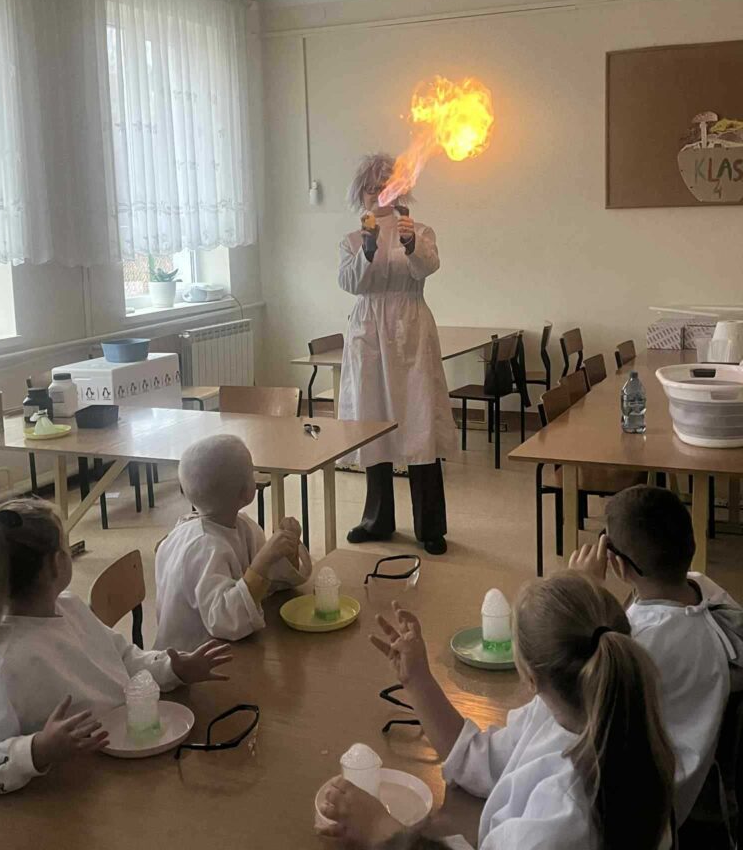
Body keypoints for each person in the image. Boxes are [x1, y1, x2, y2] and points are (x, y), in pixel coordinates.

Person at [320, 573, 674, 850]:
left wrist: (383, 830)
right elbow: (481, 761)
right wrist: (417, 680)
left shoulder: (564, 810)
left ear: (530, 679)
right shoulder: (583, 716)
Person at [0, 499, 233, 798]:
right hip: (82, 793)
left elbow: (123, 658)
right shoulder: (0, 663)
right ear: (57, 563)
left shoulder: (70, 607)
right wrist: (37, 750)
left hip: (135, 764)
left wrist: (172, 668)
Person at [570, 484, 739, 828]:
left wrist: (582, 594)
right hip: (697, 777)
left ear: (616, 563)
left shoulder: (634, 644)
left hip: (649, 804)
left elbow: (569, 698)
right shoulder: (704, 587)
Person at [338, 153, 456, 556]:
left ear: (399, 189)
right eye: (369, 189)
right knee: (372, 423)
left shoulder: (419, 230)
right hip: (368, 333)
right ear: (361, 194)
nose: (377, 195)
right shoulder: (352, 240)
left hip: (410, 330)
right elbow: (350, 283)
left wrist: (410, 245)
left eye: (383, 187)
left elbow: (427, 267)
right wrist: (368, 249)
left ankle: (430, 526)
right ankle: (378, 519)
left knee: (420, 422)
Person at [155, 434, 312, 651]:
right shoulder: (204, 547)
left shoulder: (242, 526)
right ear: (247, 491)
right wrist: (262, 562)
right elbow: (226, 622)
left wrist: (287, 551)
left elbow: (271, 586)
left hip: (227, 651)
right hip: (191, 660)